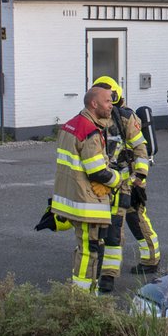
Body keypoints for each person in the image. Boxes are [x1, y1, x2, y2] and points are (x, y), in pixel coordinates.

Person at [47, 84, 130, 294]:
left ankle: (81, 293)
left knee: (84, 247)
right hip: (86, 203)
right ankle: (84, 298)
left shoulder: (70, 125)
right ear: (94, 104)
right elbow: (97, 172)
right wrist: (118, 178)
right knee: (90, 251)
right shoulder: (90, 131)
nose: (111, 105)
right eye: (107, 101)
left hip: (70, 198)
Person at [92, 76, 161, 276]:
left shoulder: (126, 118)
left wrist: (139, 178)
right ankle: (105, 264)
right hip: (110, 179)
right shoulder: (101, 118)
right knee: (113, 220)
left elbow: (140, 148)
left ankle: (150, 259)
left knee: (135, 217)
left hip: (130, 179)